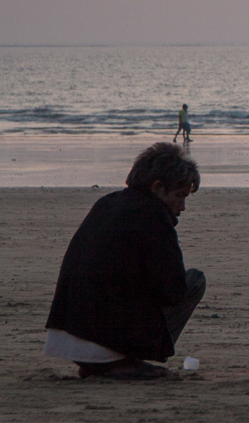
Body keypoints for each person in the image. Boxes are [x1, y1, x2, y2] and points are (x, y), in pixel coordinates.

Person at [44, 143, 206, 379]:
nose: (182, 207)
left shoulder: (107, 202)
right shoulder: (154, 216)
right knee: (195, 280)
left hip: (68, 334)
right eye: (180, 196)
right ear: (158, 188)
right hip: (105, 338)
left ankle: (103, 361)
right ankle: (124, 360)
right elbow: (172, 292)